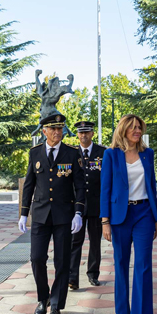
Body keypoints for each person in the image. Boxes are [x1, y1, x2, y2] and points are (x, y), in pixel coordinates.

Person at [17, 113, 86, 314]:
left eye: (61, 128)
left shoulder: (72, 153)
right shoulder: (35, 152)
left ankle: (56, 304)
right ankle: (43, 298)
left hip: (64, 215)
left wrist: (78, 212)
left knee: (62, 261)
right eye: (53, 129)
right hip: (40, 214)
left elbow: (80, 186)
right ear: (44, 131)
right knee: (37, 258)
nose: (58, 132)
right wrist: (23, 213)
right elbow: (29, 184)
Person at [99, 114, 157, 314]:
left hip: (144, 212)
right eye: (133, 128)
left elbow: (152, 186)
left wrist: (156, 217)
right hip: (119, 216)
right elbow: (105, 189)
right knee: (121, 262)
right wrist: (104, 221)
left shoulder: (148, 154)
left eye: (140, 128)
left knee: (144, 264)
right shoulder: (111, 155)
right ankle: (122, 309)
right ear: (123, 130)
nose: (137, 131)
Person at [70, 121, 105, 289]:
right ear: (78, 135)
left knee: (95, 242)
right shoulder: (71, 152)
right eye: (81, 133)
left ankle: (93, 274)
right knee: (75, 242)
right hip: (77, 206)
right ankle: (72, 278)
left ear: (92, 134)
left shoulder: (102, 152)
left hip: (96, 205)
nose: (83, 135)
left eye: (87, 132)